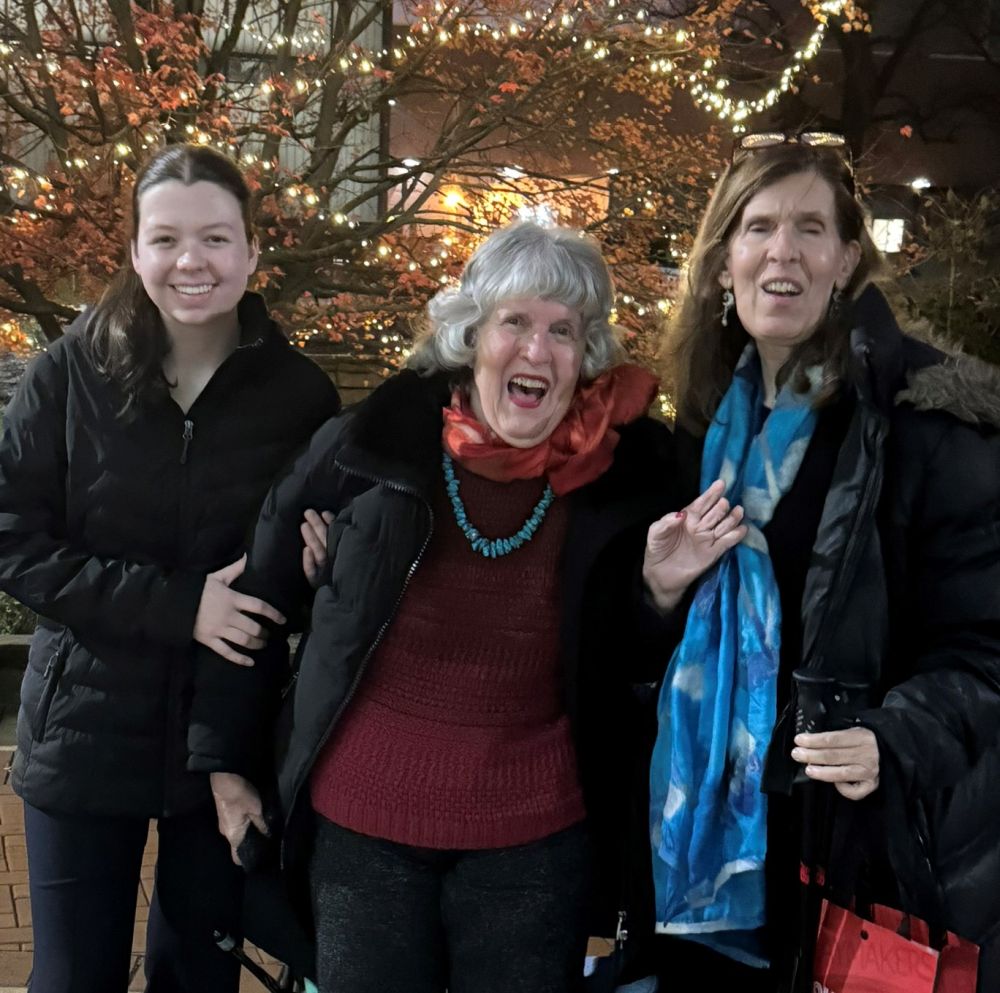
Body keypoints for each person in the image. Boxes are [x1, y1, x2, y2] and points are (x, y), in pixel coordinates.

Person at [186, 220, 740, 993]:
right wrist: (225, 765)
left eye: (564, 331)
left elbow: (635, 670)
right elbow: (260, 595)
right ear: (471, 335)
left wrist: (656, 594)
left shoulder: (633, 478)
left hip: (535, 837)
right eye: (515, 322)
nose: (537, 351)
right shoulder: (372, 447)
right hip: (363, 823)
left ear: (588, 356)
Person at [642, 131, 1000, 992]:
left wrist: (894, 738)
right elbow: (634, 647)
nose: (782, 252)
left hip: (857, 852)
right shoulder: (699, 424)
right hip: (709, 855)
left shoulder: (920, 423)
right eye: (757, 226)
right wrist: (659, 588)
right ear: (723, 258)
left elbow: (985, 647)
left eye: (810, 228)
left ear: (846, 259)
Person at [0, 144, 340, 993]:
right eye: (166, 239)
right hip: (83, 728)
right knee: (73, 977)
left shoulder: (299, 395)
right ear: (135, 251)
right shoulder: (67, 373)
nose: (192, 261)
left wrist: (321, 565)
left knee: (196, 976)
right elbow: (12, 538)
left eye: (217, 238)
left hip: (223, 742)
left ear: (254, 251)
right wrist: (179, 604)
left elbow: (308, 575)